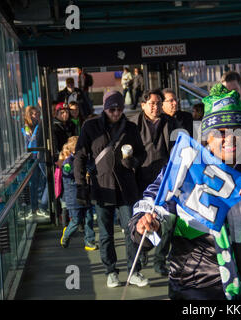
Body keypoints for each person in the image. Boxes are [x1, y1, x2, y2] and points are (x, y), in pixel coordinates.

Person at [128, 83, 241, 300]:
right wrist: (144, 224)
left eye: (237, 131)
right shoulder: (187, 167)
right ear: (207, 137)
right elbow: (153, 203)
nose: (230, 139)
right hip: (196, 285)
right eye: (220, 133)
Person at [73, 91, 149, 288]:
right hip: (102, 187)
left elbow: (142, 153)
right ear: (104, 109)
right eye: (111, 109)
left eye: (119, 109)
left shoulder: (130, 127)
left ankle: (134, 270)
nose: (116, 113)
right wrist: (80, 185)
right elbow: (80, 156)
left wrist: (133, 161)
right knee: (106, 234)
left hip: (126, 187)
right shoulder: (91, 127)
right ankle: (110, 271)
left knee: (132, 231)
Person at [129, 89, 178, 275]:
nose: (155, 107)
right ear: (143, 105)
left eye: (158, 103)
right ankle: (141, 255)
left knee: (167, 219)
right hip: (140, 178)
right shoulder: (133, 123)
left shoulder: (171, 123)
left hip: (165, 179)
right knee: (140, 219)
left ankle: (160, 260)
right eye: (151, 103)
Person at [59, 136, 98, 251]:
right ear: (73, 150)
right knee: (76, 220)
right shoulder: (67, 163)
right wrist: (81, 179)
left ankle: (89, 241)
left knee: (89, 218)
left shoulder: (86, 159)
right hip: (74, 196)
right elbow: (68, 178)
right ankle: (66, 235)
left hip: (86, 194)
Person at [22, 106, 46, 217]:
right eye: (33, 114)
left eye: (37, 113)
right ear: (28, 115)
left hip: (40, 156)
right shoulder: (24, 127)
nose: (35, 116)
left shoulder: (40, 124)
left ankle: (41, 206)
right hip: (30, 157)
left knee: (43, 181)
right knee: (33, 183)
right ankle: (34, 207)